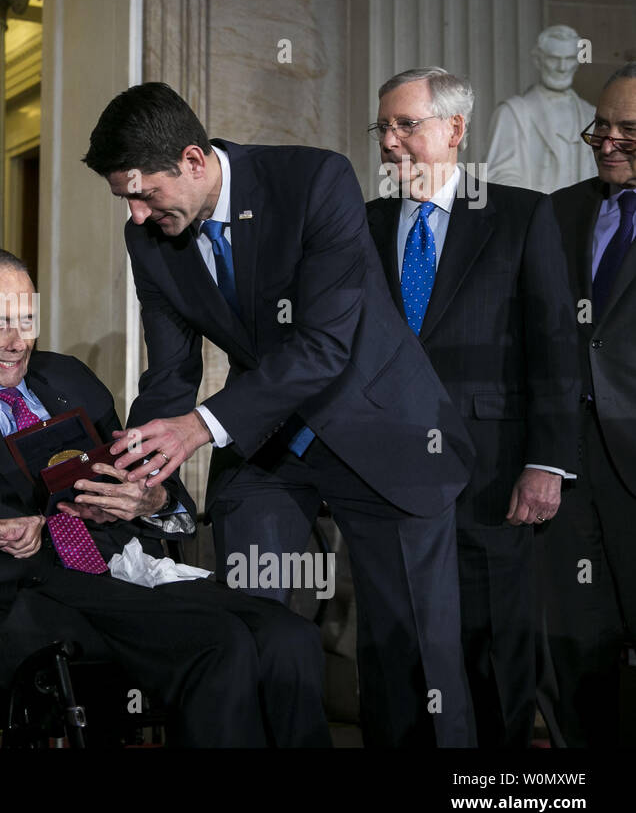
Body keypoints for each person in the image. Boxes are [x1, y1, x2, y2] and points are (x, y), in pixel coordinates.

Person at [83, 82, 476, 746]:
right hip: (269, 448)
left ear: (195, 160)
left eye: (145, 192)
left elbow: (324, 345)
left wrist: (202, 427)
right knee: (248, 632)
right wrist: (144, 466)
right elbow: (171, 371)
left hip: (386, 431)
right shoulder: (148, 238)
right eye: (126, 198)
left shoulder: (314, 178)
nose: (139, 213)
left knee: (413, 654)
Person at [0, 246, 331, 747]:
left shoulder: (69, 377)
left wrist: (150, 500)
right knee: (218, 644)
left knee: (290, 638)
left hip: (118, 570)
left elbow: (145, 477)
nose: (16, 343)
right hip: (7, 593)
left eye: (27, 321)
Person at [365, 67, 580, 747]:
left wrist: (547, 462)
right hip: (389, 476)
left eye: (407, 126)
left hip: (492, 476)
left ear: (455, 129)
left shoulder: (521, 215)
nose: (390, 143)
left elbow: (554, 345)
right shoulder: (363, 225)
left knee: (491, 648)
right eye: (383, 129)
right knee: (394, 646)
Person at [537, 62, 636, 747]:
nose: (607, 141)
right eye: (601, 126)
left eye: (629, 131)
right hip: (570, 463)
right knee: (575, 640)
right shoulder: (561, 210)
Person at [485, 26, 596, 195]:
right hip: (533, 216)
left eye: (569, 58)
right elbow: (498, 176)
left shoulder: (591, 115)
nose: (562, 67)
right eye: (554, 58)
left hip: (584, 217)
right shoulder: (513, 113)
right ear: (538, 60)